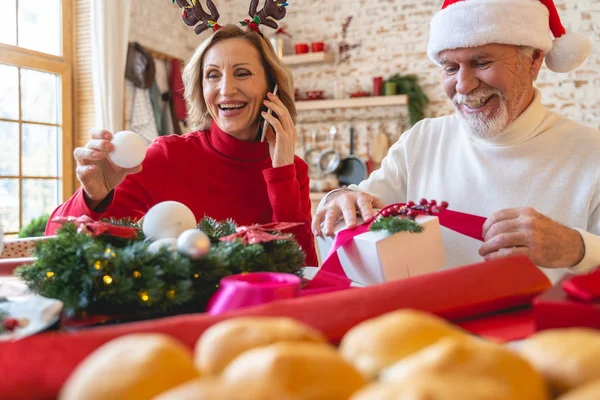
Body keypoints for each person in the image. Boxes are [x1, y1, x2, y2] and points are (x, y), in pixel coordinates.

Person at [313, 0, 598, 283]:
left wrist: (576, 248)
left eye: (482, 62)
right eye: (450, 68)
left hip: (547, 328)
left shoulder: (591, 152)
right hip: (424, 327)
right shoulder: (421, 141)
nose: (463, 85)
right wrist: (338, 198)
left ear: (534, 60)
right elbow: (358, 208)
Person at [46, 24, 318, 266]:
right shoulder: (168, 155)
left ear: (272, 87)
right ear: (201, 88)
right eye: (212, 75)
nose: (225, 89)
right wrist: (93, 198)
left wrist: (282, 171)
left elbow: (302, 269)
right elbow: (55, 241)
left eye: (243, 73)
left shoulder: (292, 171)